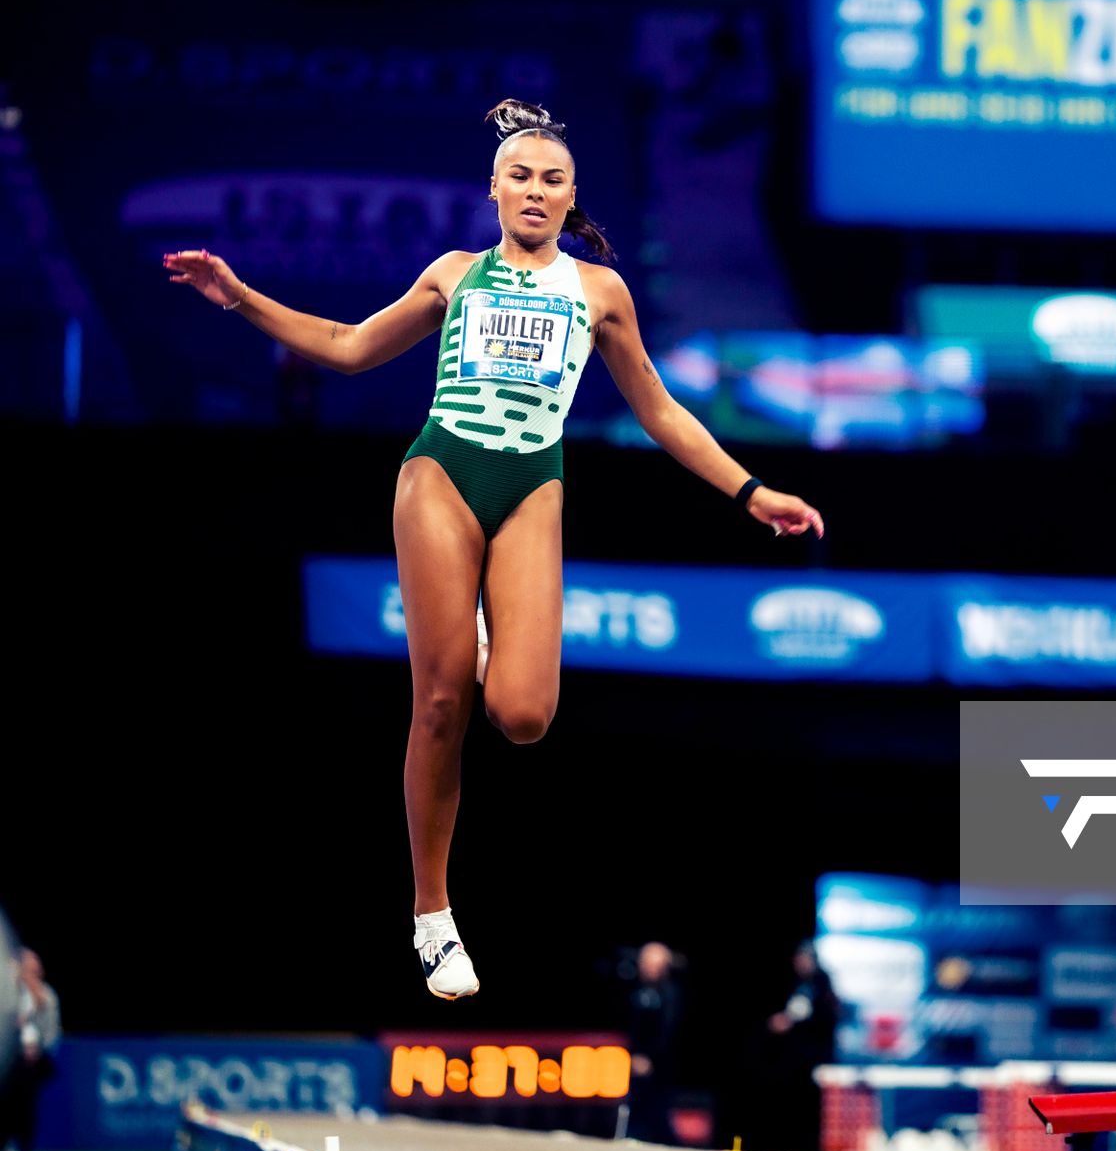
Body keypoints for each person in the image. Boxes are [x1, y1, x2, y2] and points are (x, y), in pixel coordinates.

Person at [163, 100, 826, 1000]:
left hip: (532, 486)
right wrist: (238, 297)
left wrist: (752, 491)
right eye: (521, 176)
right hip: (442, 471)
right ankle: (432, 915)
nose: (536, 191)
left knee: (521, 714)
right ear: (495, 188)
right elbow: (352, 348)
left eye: (554, 180)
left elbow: (661, 411)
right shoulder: (453, 275)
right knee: (440, 702)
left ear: (570, 197)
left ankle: (477, 637)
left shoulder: (600, 293)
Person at [760, 941, 840, 1151]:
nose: (799, 963)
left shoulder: (822, 986)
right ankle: (791, 1148)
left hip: (814, 1059)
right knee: (791, 1106)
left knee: (812, 1109)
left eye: (803, 959)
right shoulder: (798, 984)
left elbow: (824, 1020)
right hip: (794, 1060)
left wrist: (793, 1023)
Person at [0, 949, 60, 1151]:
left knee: (23, 1079)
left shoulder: (48, 996)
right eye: (24, 969)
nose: (28, 974)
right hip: (8, 1058)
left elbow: (51, 1037)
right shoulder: (6, 996)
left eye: (33, 970)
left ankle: (17, 1144)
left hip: (37, 1061)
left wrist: (35, 1048)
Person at [622, 942, 683, 1143]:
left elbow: (668, 1031)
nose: (651, 968)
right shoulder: (632, 991)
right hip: (632, 1062)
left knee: (657, 1112)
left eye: (657, 964)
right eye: (647, 963)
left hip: (660, 1067)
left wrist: (650, 1059)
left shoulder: (671, 995)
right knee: (634, 1109)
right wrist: (631, 1055)